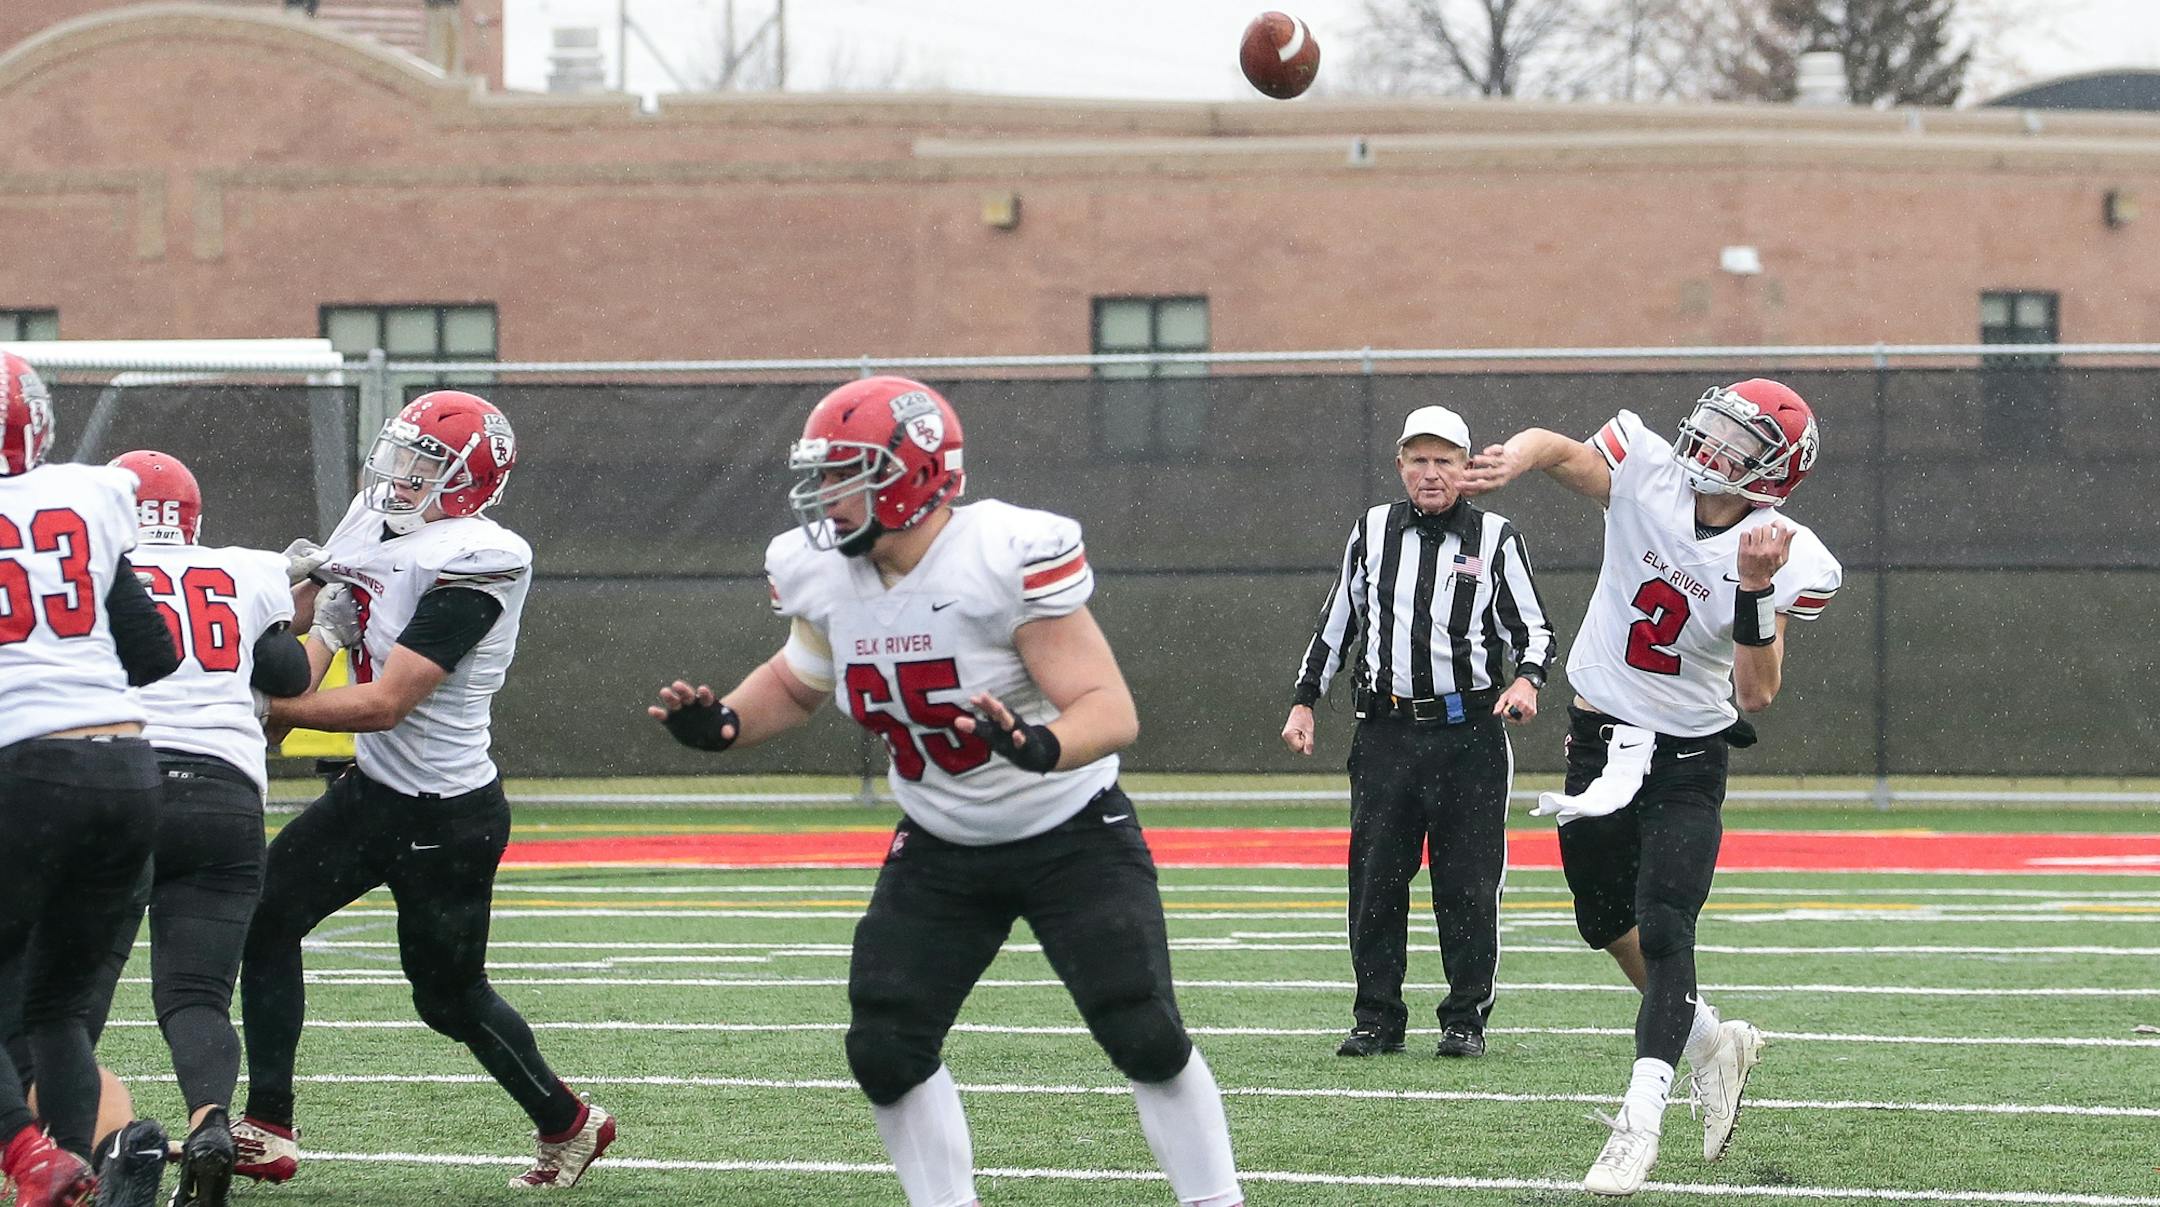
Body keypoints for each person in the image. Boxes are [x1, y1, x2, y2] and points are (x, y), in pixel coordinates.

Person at [650, 376, 1244, 1207]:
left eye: (844, 474)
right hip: (941, 840)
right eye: (822, 474)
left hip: (1069, 830)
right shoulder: (821, 572)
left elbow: (1109, 709)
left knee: (1140, 1027)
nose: (825, 496)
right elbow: (797, 679)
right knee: (885, 1047)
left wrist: (1039, 744)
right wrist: (723, 724)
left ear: (912, 475)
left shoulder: (1001, 554)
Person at [1460, 378, 1842, 1196]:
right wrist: (1514, 458)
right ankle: (1712, 1041)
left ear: (1773, 471)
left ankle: (1639, 1120)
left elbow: (1758, 691)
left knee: (1668, 927)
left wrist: (1752, 588)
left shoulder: (1784, 550)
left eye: (1738, 442)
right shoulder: (1651, 471)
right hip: (1597, 736)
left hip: (1686, 756)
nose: (1712, 444)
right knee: (1602, 920)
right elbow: (1560, 449)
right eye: (1716, 426)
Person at [237, 391, 616, 1192]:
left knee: (448, 998)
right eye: (401, 452)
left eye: (423, 463)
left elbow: (387, 702)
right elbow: (316, 635)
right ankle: (267, 1124)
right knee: (264, 918)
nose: (399, 473)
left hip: (446, 815)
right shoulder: (375, 520)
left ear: (469, 481)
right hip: (373, 791)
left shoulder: (481, 557)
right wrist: (291, 618)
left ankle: (570, 1122)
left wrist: (265, 707)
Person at [1282, 405, 1554, 1061]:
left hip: (1469, 735)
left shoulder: (1495, 537)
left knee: (1467, 884)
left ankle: (1465, 1018)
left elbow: (1535, 630)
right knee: (1376, 881)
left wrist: (1527, 681)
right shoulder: (1371, 530)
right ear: (1401, 464)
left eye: (1444, 461)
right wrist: (1304, 700)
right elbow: (1338, 621)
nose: (1431, 473)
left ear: (1466, 467)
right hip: (1386, 731)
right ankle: (1376, 1017)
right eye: (1419, 460)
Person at [0, 352, 180, 1207]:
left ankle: (29, 1155)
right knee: (57, 1009)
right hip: (125, 769)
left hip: (26, 773)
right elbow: (151, 650)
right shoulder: (86, 494)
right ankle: (68, 1175)